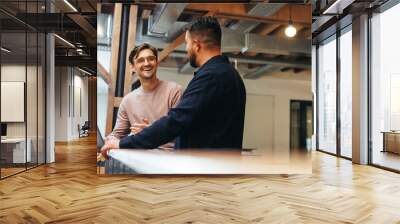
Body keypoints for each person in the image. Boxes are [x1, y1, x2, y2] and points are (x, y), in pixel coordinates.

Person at [101, 16, 246, 157]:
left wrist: (123, 143)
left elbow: (175, 122)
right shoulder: (229, 74)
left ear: (196, 45)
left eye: (187, 43)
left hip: (207, 172)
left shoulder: (211, 77)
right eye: (140, 61)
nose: (187, 48)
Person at [105, 43, 183, 148]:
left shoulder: (174, 91)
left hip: (169, 158)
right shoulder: (128, 100)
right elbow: (116, 135)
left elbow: (183, 132)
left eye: (151, 59)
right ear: (132, 67)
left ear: (156, 62)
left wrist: (151, 132)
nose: (147, 63)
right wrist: (110, 140)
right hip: (138, 159)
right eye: (141, 60)